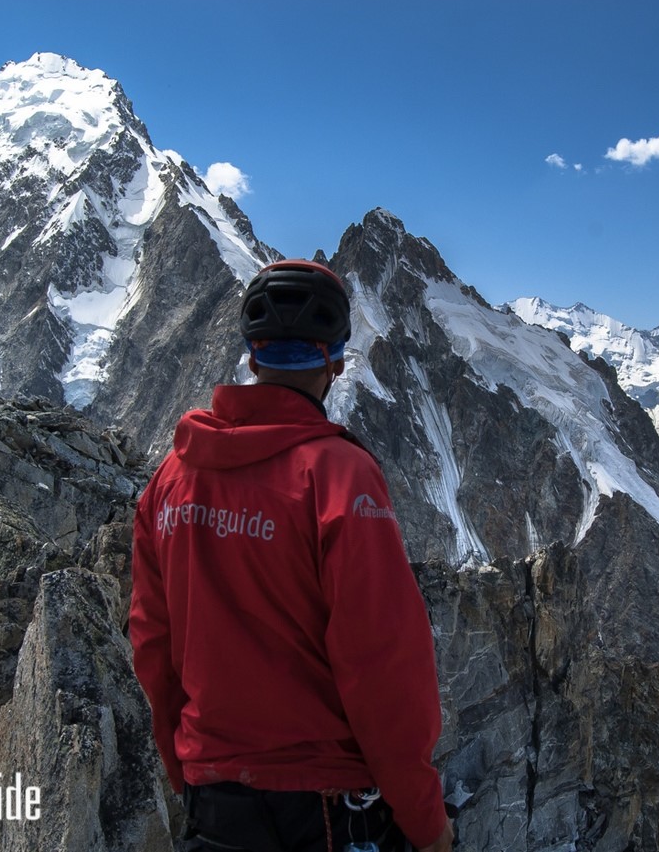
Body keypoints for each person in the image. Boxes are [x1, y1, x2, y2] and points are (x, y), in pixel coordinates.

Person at [129, 260, 454, 852]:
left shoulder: (170, 480)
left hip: (215, 802)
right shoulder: (340, 476)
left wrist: (187, 770)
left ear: (253, 357)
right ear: (335, 363)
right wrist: (426, 821)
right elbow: (383, 663)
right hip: (324, 811)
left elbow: (152, 644)